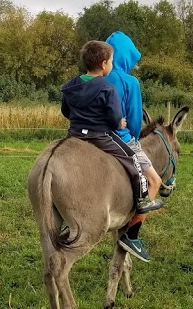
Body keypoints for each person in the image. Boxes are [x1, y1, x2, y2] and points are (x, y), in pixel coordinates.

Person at [60, 40, 162, 261]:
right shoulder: (110, 86)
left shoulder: (71, 85)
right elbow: (117, 118)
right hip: (102, 135)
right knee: (131, 160)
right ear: (105, 63)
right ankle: (142, 202)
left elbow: (65, 110)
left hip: (75, 134)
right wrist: (121, 125)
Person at [104, 31, 170, 261]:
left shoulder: (94, 76)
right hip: (119, 137)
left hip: (87, 136)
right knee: (154, 181)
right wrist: (131, 136)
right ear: (127, 57)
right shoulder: (130, 82)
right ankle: (132, 234)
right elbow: (133, 120)